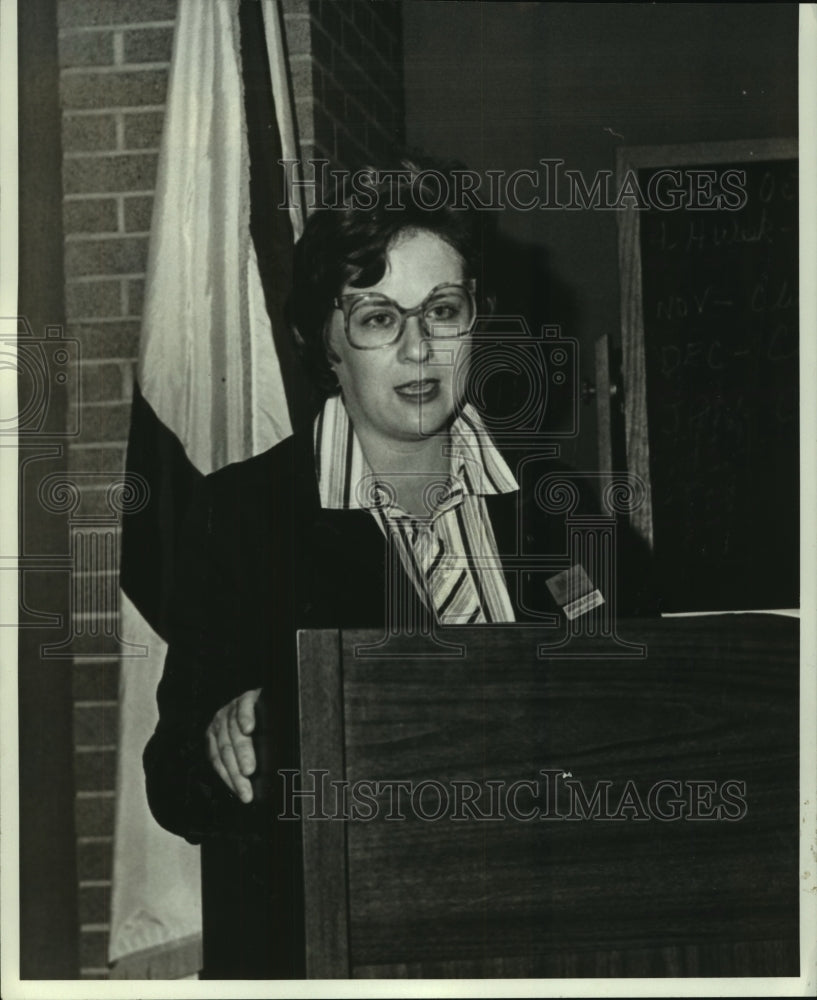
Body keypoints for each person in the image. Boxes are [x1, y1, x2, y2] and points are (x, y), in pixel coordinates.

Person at [143, 159, 645, 978]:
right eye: (378, 318)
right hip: (334, 959)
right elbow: (172, 784)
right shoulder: (242, 516)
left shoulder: (564, 515)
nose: (418, 347)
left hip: (541, 948)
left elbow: (643, 729)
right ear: (326, 340)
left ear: (474, 319)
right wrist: (223, 745)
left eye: (441, 311)